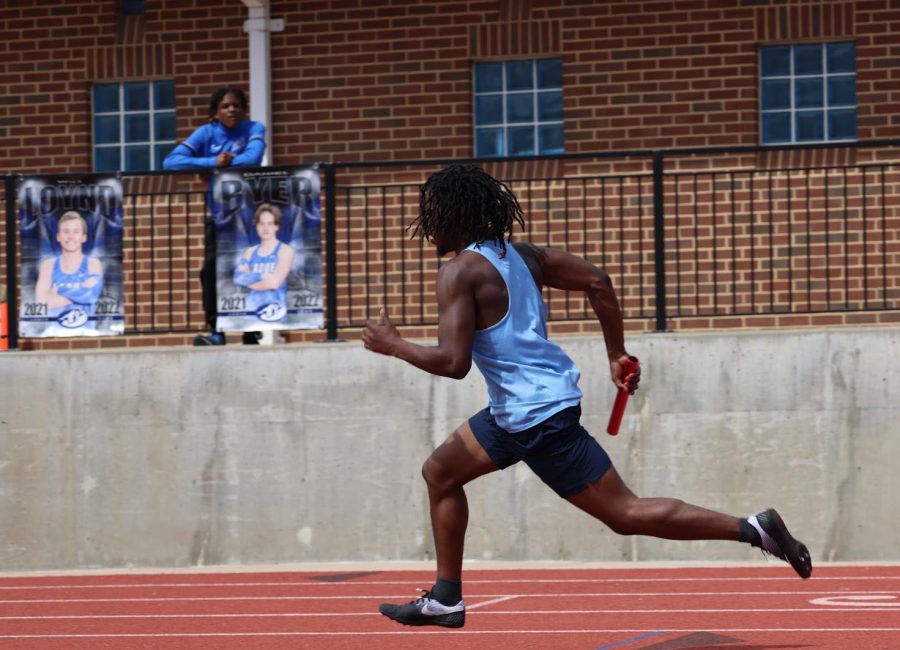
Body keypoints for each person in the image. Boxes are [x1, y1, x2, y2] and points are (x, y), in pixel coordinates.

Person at [362, 164, 812, 630]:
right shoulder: (524, 257)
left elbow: (452, 364)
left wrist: (393, 344)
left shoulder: (458, 272)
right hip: (515, 413)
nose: (427, 222)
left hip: (536, 419)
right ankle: (446, 597)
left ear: (455, 213)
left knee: (624, 513)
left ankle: (753, 528)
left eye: (432, 212)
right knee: (440, 471)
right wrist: (615, 352)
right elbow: (598, 281)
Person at [163, 86, 266, 346]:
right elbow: (171, 162)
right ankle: (217, 330)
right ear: (216, 112)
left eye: (236, 106)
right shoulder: (206, 133)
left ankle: (250, 330)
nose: (232, 110)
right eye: (225, 106)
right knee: (211, 272)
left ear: (243, 110)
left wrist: (226, 163)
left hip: (248, 217)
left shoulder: (254, 128)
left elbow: (253, 159)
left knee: (249, 270)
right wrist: (211, 163)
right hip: (219, 217)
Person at [34, 211, 104, 331]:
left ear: (84, 237)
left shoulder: (93, 264)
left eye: (76, 232)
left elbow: (91, 296)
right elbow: (41, 302)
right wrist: (82, 288)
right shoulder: (48, 265)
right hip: (53, 333)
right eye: (66, 231)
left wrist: (57, 293)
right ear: (58, 237)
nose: (71, 236)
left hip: (86, 333)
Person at [233, 203, 294, 321]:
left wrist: (249, 281)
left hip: (275, 312)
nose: (265, 228)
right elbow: (237, 277)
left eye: (270, 224)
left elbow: (274, 283)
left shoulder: (285, 250)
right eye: (261, 223)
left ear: (276, 226)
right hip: (252, 312)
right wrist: (261, 275)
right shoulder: (250, 252)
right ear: (256, 225)